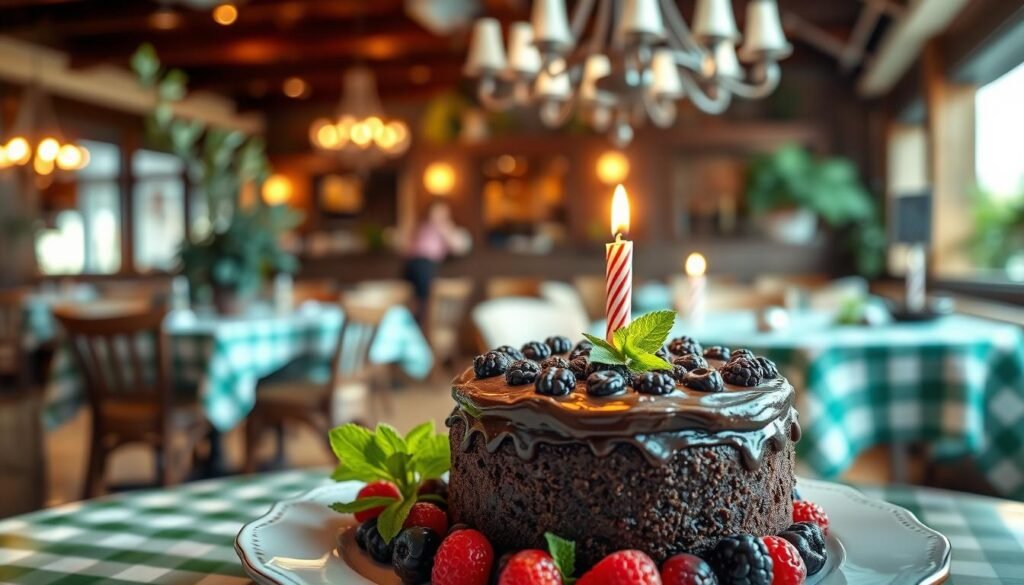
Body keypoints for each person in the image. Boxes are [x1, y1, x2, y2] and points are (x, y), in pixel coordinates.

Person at [401, 200, 466, 322]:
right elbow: (407, 246)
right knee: (408, 298)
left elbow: (459, 247)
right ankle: (410, 325)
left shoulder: (446, 226)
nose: (437, 214)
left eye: (441, 211)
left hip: (426, 264)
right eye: (435, 211)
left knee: (423, 300)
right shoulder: (422, 225)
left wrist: (444, 229)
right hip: (411, 263)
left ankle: (420, 325)